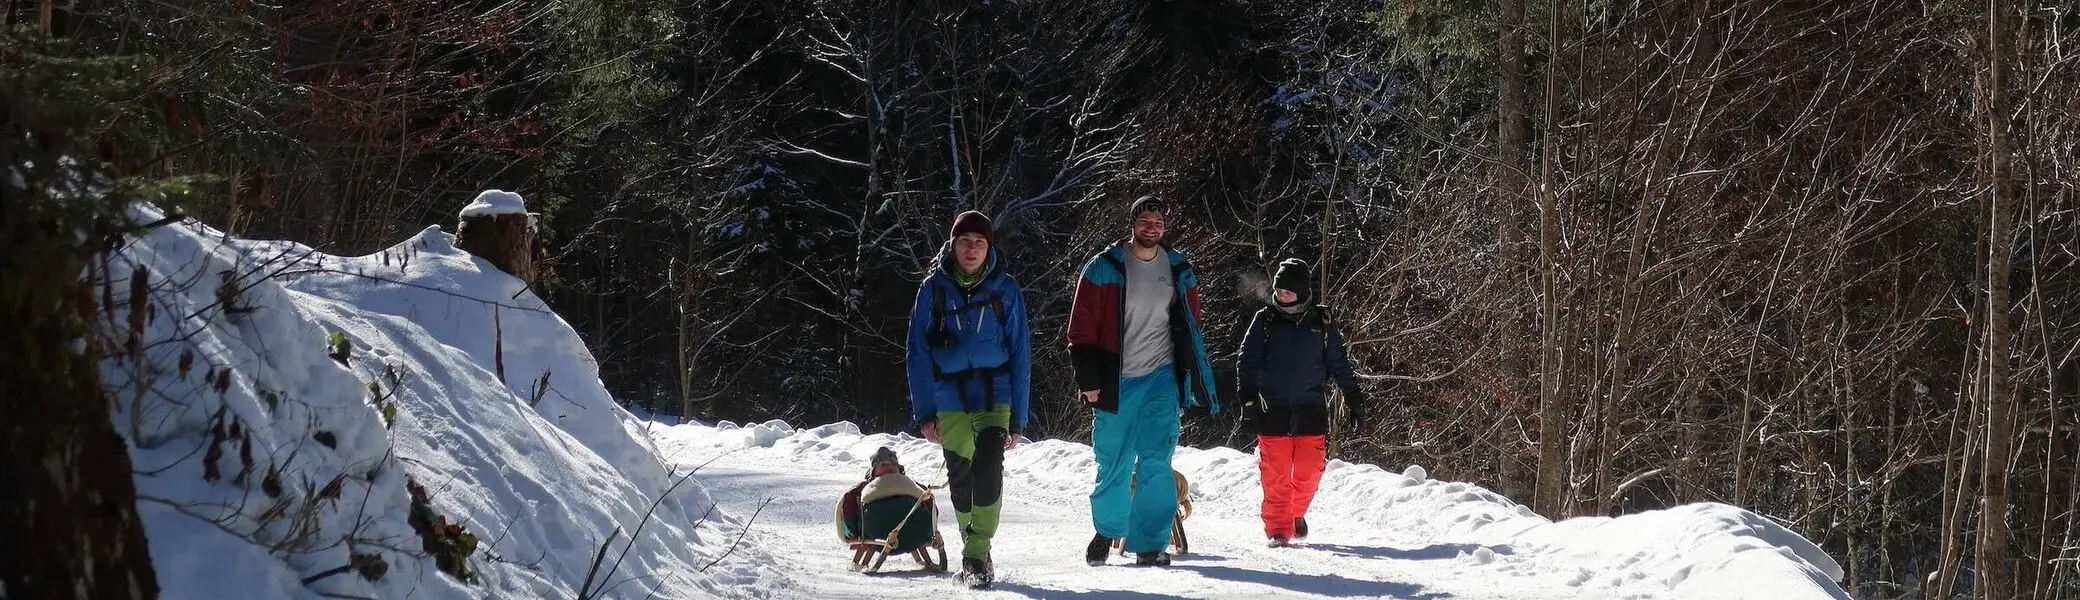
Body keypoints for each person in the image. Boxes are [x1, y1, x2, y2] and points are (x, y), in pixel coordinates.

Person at [1066, 197, 1220, 567]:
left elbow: (1191, 322)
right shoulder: (1104, 267)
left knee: (1156, 459)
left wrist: (1189, 372)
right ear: (1132, 224)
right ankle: (1107, 530)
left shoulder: (1178, 267)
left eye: (1158, 222)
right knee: (1114, 460)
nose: (1152, 228)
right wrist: (1088, 379)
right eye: (1145, 221)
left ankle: (1150, 543)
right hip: (1115, 378)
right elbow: (1081, 328)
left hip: (1161, 376)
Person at [905, 210, 1030, 588]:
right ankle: (975, 551)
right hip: (948, 395)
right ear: (953, 245)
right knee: (960, 477)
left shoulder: (1006, 289)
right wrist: (925, 412)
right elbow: (917, 353)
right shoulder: (933, 289)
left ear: (989, 248)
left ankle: (976, 554)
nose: (972, 249)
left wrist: (1018, 417)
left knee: (989, 466)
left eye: (979, 242)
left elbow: (1020, 352)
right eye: (965, 242)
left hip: (995, 392)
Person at [1236, 258, 1366, 547]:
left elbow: (1338, 363)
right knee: (1276, 475)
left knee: (1309, 472)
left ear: (1303, 292)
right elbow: (1247, 362)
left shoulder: (1322, 322)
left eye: (1287, 292)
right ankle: (1278, 530)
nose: (1281, 296)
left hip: (1310, 409)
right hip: (1272, 410)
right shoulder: (1265, 320)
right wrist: (1248, 400)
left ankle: (1294, 514)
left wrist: (1353, 398)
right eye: (1278, 291)